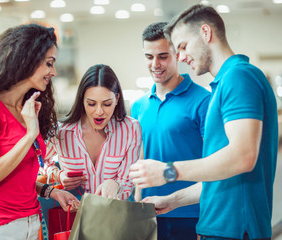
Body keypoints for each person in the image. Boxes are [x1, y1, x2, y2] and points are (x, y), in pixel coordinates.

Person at [130, 4, 278, 240]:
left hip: (236, 229)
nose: (181, 57)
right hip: (218, 229)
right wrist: (172, 200)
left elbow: (243, 156)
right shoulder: (224, 84)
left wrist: (168, 171)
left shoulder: (238, 77)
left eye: (183, 46)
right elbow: (223, 173)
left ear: (206, 34)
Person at [0, 23, 79, 240]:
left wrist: (51, 191)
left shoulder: (26, 109)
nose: (54, 72)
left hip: (31, 223)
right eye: (49, 63)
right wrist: (30, 134)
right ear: (27, 59)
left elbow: (19, 178)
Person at [130, 22, 210, 240]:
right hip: (146, 213)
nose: (155, 64)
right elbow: (138, 159)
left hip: (190, 214)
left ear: (177, 54)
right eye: (149, 57)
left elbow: (215, 163)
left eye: (163, 56)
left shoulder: (203, 101)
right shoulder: (138, 106)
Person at [42, 64, 142, 200]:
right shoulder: (62, 131)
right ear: (82, 100)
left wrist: (115, 184)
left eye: (107, 104)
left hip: (115, 215)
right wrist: (58, 174)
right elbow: (39, 162)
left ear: (117, 99)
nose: (99, 112)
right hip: (75, 216)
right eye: (91, 104)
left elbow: (127, 182)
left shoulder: (130, 129)